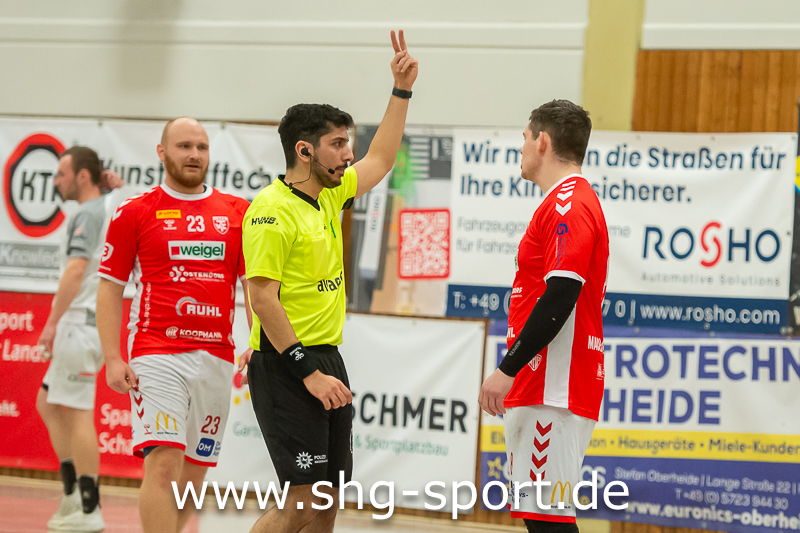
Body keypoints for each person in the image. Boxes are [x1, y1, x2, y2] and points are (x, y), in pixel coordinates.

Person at [238, 29, 417, 533]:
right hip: (287, 364)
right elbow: (262, 299)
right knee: (300, 502)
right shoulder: (270, 211)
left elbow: (381, 159)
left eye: (348, 143)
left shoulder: (331, 195)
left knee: (327, 498)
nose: (347, 154)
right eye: (337, 144)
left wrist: (401, 90)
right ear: (304, 150)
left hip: (326, 356)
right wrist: (307, 373)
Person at [96, 117, 252, 533]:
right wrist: (113, 357)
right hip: (157, 352)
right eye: (184, 146)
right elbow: (109, 288)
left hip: (216, 357)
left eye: (201, 147)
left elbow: (254, 285)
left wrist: (257, 341)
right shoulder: (134, 211)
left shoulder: (238, 213)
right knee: (164, 464)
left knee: (193, 477)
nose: (194, 155)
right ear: (162, 152)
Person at [479, 100, 609, 533]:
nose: (521, 148)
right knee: (540, 520)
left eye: (524, 138)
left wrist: (507, 368)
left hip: (553, 386)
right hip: (542, 384)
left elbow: (561, 295)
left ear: (543, 142)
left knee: (548, 521)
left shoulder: (569, 203)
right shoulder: (561, 202)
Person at [36, 146, 122, 533]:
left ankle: (89, 507)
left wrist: (51, 323)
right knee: (47, 404)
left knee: (80, 413)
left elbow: (75, 271)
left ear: (82, 176)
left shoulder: (90, 213)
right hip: (84, 325)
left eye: (61, 174)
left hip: (80, 326)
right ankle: (72, 492)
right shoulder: (107, 206)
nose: (56, 181)